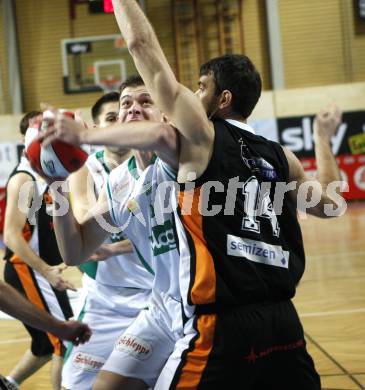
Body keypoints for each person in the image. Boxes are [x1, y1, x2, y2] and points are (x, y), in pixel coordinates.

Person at [107, 1, 344, 389]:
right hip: (283, 322)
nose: (194, 95)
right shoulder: (280, 156)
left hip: (222, 323)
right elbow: (332, 206)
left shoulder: (201, 140)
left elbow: (141, 46)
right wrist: (322, 137)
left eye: (201, 88)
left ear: (223, 99)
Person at [61, 91, 155, 390]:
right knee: (73, 383)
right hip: (105, 299)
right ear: (98, 128)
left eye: (122, 118)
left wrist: (114, 246)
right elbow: (84, 215)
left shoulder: (153, 165)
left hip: (153, 296)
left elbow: (158, 228)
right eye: (111, 119)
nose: (119, 123)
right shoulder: (85, 168)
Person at [3, 112, 76, 390]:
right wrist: (46, 270)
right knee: (64, 341)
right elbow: (11, 235)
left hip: (37, 271)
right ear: (28, 138)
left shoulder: (46, 173)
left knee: (45, 345)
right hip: (28, 270)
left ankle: (9, 383)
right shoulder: (24, 179)